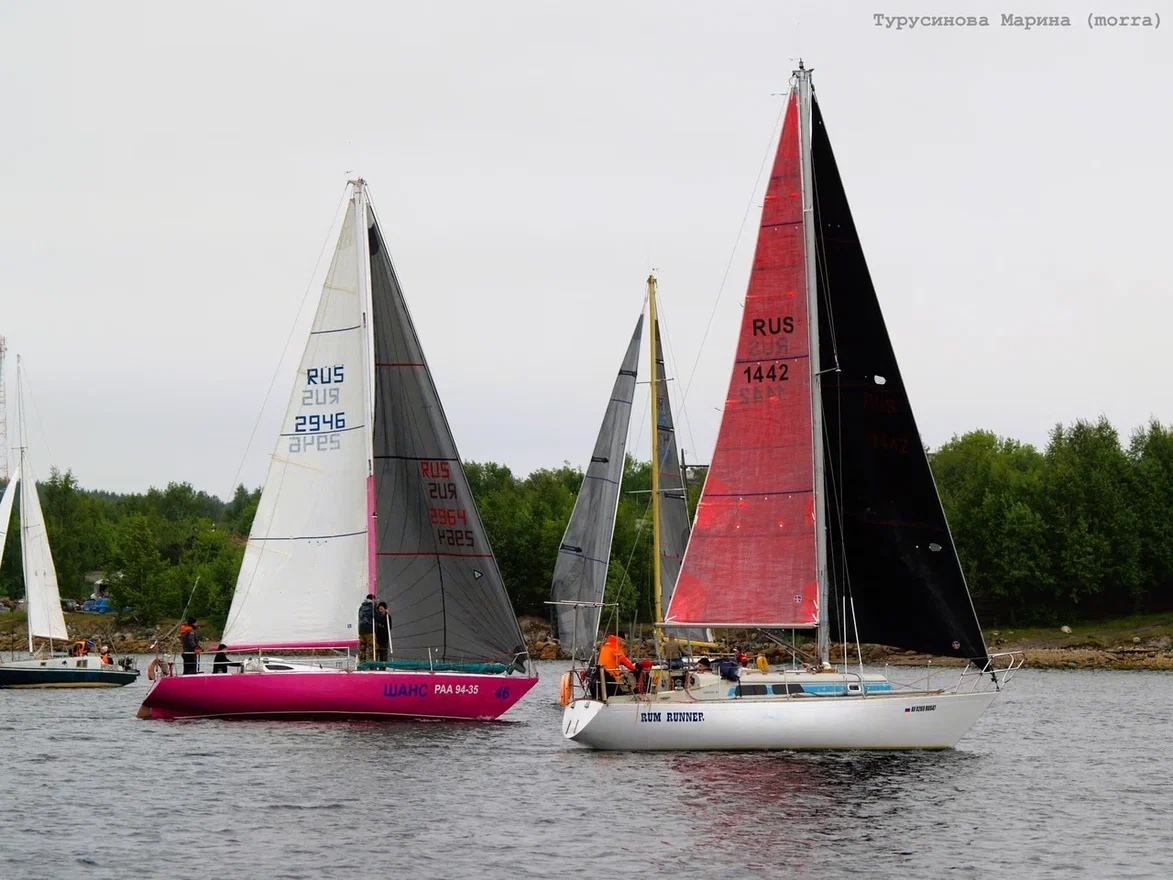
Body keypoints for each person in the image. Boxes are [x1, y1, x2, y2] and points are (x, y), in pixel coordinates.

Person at [597, 631, 638, 696]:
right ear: (619, 638)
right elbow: (624, 660)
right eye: (622, 640)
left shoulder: (605, 645)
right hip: (610, 675)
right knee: (618, 694)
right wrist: (635, 668)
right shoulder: (615, 647)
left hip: (600, 674)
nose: (622, 643)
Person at [357, 593, 376, 663]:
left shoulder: (361, 607)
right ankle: (371, 664)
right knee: (371, 647)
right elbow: (376, 616)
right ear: (372, 599)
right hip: (369, 630)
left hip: (361, 630)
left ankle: (361, 663)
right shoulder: (372, 606)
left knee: (362, 648)